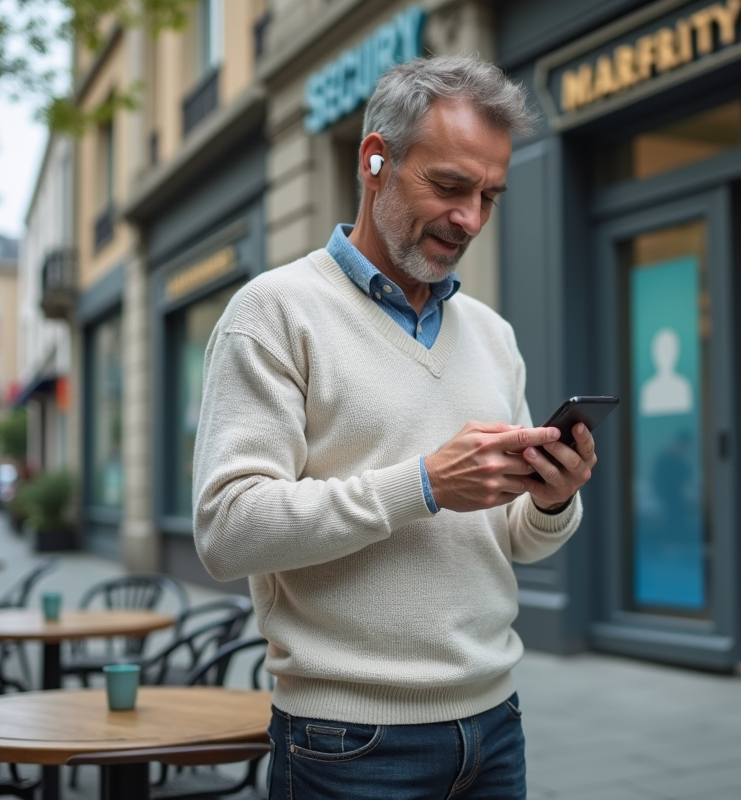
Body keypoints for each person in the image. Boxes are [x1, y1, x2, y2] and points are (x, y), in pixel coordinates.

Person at [193, 56, 595, 799]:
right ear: (374, 160)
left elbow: (510, 539)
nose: (469, 218)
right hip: (346, 742)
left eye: (488, 197)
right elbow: (226, 530)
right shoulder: (273, 313)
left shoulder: (492, 335)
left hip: (493, 723)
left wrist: (549, 501)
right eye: (448, 187)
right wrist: (423, 485)